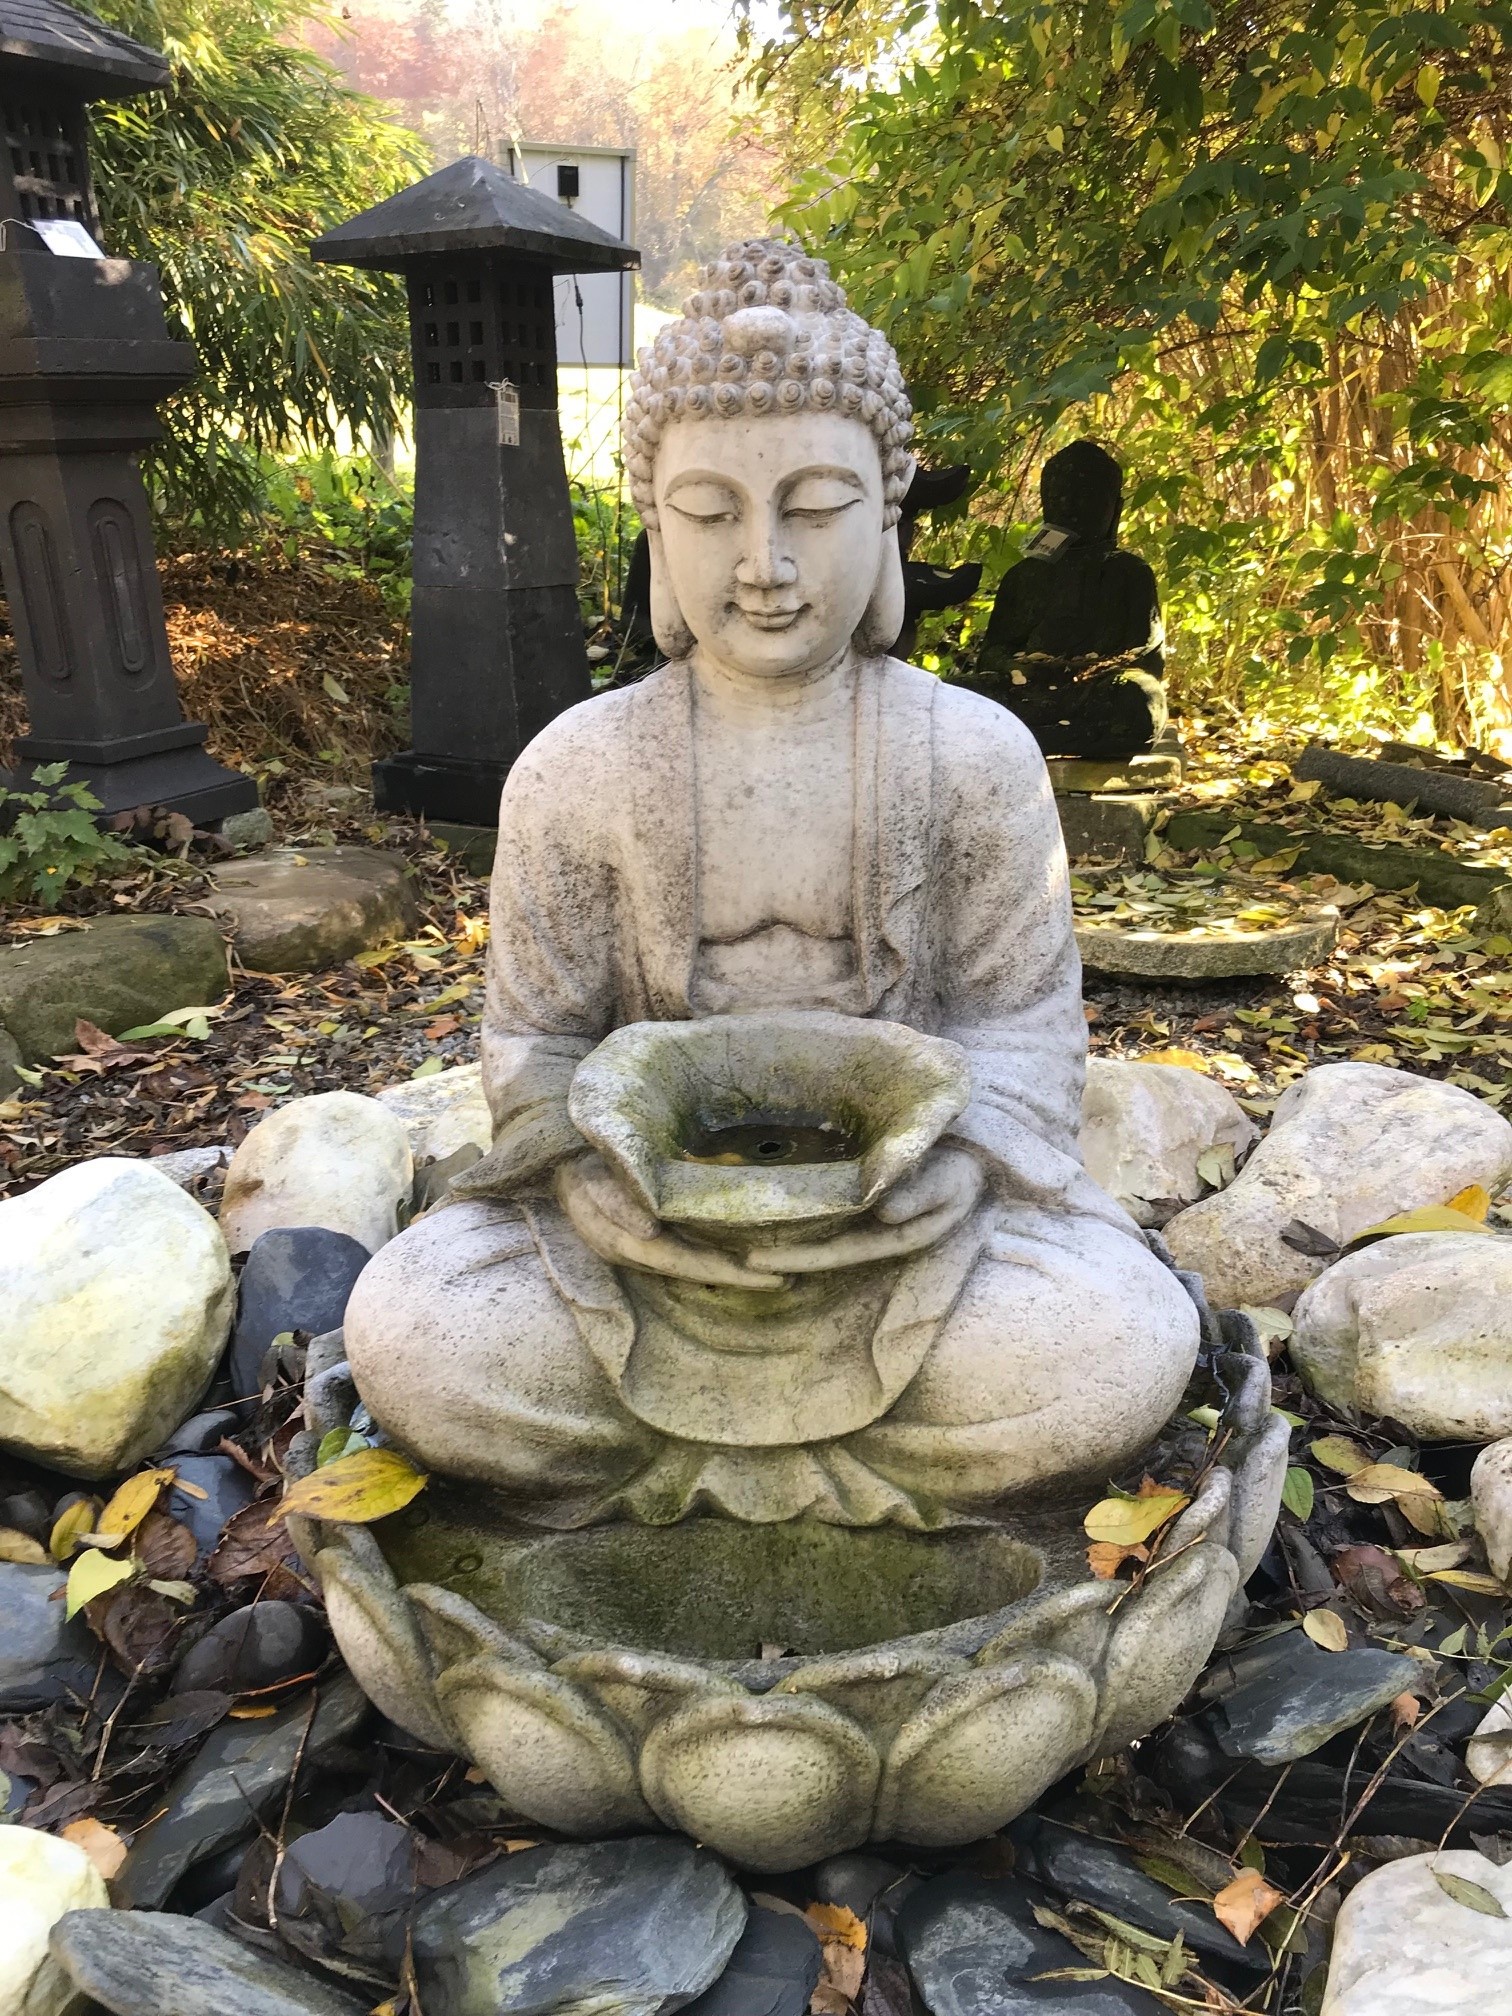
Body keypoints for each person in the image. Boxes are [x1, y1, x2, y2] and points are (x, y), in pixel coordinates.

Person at [342, 243, 1197, 1532]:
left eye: (813, 507)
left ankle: (668, 1485)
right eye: (709, 512)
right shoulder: (577, 767)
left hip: (914, 1235)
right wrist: (606, 1188)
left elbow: (1025, 1034)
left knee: (1109, 1340)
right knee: (420, 1337)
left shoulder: (974, 755)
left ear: (888, 517)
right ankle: (855, 1485)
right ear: (652, 528)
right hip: (643, 1246)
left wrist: (954, 1170)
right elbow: (536, 1045)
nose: (764, 562)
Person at [969, 439, 1167, 758]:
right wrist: (1017, 666)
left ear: (1115, 509)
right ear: (1045, 502)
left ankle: (1023, 740)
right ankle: (1055, 738)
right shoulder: (1024, 576)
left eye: (1087, 498)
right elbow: (992, 651)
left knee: (1138, 700)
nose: (1073, 508)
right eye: (1062, 497)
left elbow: (1146, 659)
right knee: (961, 693)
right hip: (1029, 690)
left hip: (1098, 692)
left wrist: (1092, 668)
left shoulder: (1131, 573)